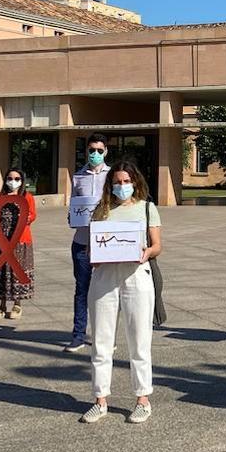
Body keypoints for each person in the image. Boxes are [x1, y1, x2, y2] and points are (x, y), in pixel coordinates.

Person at [79, 160, 161, 426]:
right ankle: (100, 399)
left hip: (136, 276)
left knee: (139, 341)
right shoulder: (101, 211)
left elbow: (157, 245)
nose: (122, 186)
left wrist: (146, 253)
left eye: (127, 181)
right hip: (105, 278)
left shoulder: (147, 208)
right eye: (117, 182)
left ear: (135, 182)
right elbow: (92, 250)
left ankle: (142, 400)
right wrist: (97, 256)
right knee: (102, 342)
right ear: (110, 184)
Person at [66, 134, 110, 352]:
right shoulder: (78, 177)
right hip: (82, 241)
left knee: (105, 291)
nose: (95, 154)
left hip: (105, 243)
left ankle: (104, 337)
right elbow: (73, 206)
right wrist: (72, 216)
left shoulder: (112, 177)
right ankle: (78, 335)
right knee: (82, 290)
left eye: (99, 150)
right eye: (92, 150)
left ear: (106, 152)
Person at [0, 168, 37, 320]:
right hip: (1, 238)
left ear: (22, 181)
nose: (13, 182)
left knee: (17, 271)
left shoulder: (27, 197)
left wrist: (24, 218)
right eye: (10, 178)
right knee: (0, 272)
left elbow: (32, 215)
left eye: (17, 179)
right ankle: (2, 304)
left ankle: (17, 304)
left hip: (19, 240)